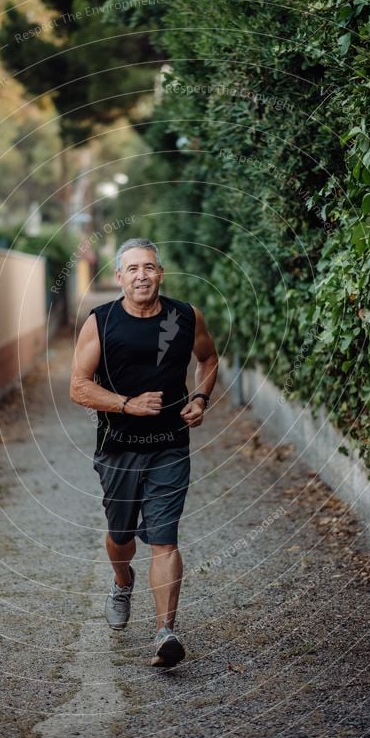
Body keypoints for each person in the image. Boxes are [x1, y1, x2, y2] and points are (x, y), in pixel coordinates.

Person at [70, 238, 218, 666]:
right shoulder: (101, 322)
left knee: (164, 539)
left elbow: (207, 360)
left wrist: (201, 398)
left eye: (149, 267)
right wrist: (127, 404)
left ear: (160, 273)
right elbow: (78, 386)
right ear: (119, 277)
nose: (141, 276)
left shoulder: (186, 316)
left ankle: (165, 633)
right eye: (132, 269)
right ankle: (121, 581)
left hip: (170, 444)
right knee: (120, 537)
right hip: (118, 448)